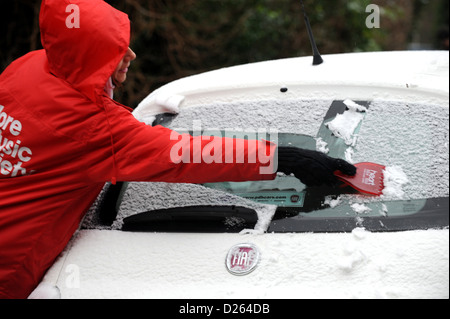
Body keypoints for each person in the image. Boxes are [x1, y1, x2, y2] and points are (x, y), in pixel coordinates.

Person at [0, 0, 356, 299]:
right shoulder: (95, 131)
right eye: (115, 52)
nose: (132, 55)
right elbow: (189, 155)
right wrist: (285, 158)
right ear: (89, 59)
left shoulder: (27, 69)